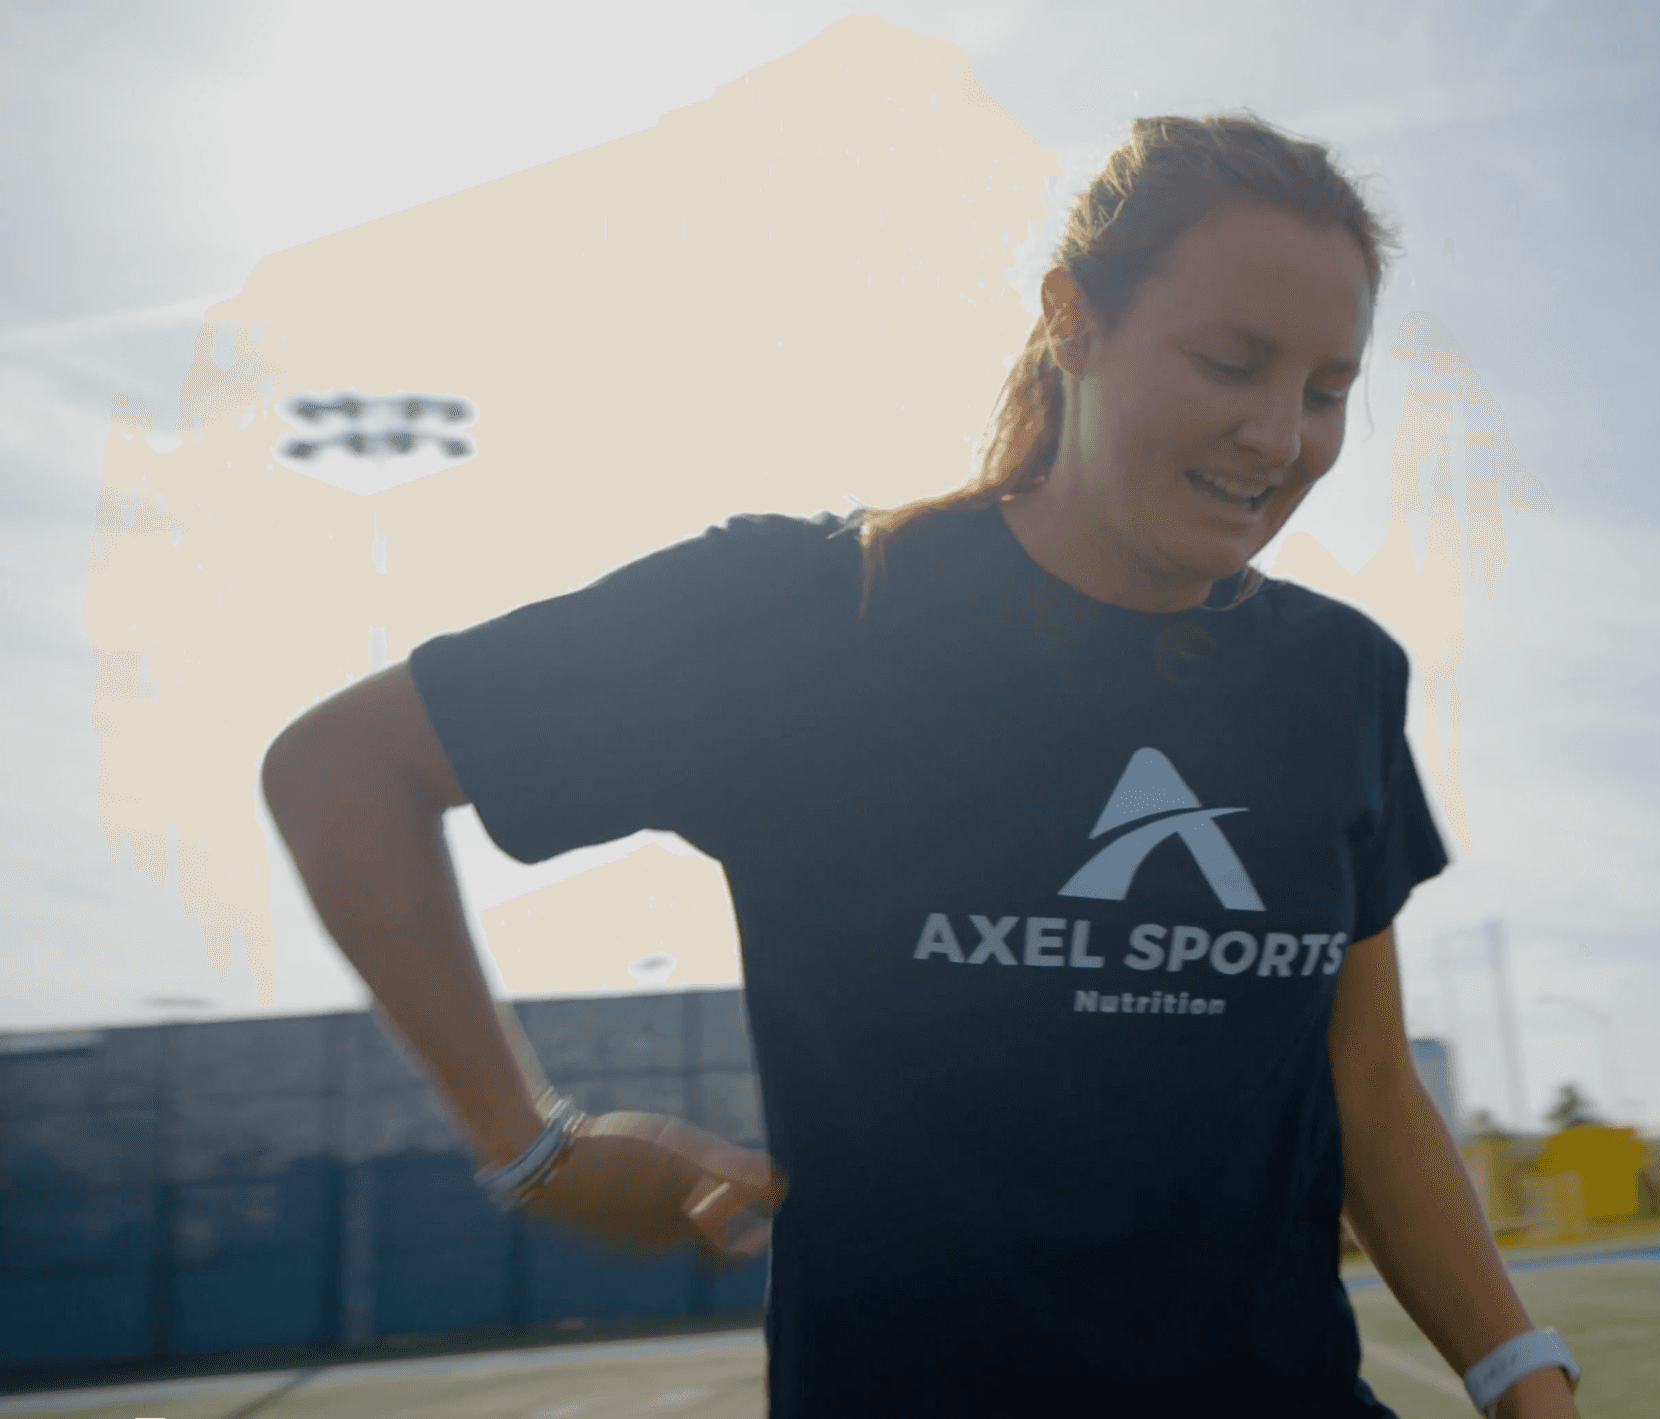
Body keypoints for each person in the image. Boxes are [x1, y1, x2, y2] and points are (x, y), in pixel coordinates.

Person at [262, 112, 1583, 1419]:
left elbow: (1368, 1082)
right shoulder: (807, 612)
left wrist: (1517, 1370)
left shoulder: (1340, 679)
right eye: (1233, 363)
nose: (1282, 436)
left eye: (1327, 392)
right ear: (1075, 323)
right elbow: (343, 769)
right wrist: (530, 1145)